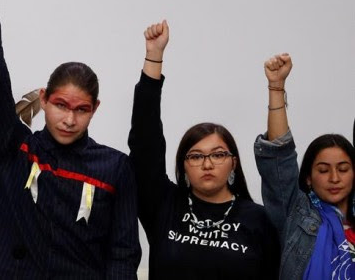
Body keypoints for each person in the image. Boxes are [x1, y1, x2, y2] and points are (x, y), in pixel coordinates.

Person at [0, 0, 141, 278]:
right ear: (45, 98)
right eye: (61, 105)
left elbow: (123, 253)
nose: (69, 119)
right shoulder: (15, 147)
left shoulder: (114, 167)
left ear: (95, 109)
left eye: (81, 110)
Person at [128, 21, 280, 279]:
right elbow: (145, 142)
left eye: (218, 154)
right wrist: (154, 57)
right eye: (196, 156)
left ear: (233, 162)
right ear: (184, 165)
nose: (207, 164)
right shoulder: (165, 206)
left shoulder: (258, 219)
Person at [254, 53, 355, 279]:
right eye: (323, 170)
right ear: (308, 177)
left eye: (343, 168)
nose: (334, 177)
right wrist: (276, 88)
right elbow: (279, 156)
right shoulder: (295, 215)